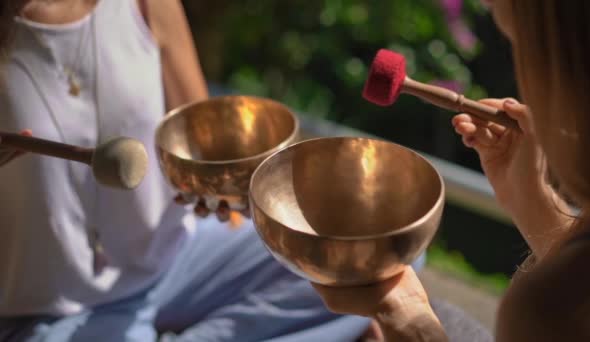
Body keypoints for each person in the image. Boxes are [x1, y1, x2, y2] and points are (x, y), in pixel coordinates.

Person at [0, 0, 393, 340]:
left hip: (175, 260)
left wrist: (228, 193)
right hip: (53, 309)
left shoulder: (146, 4)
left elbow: (207, 146)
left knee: (371, 256)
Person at [313, 0, 590, 341]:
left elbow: (570, 304)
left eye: (520, 46)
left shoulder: (560, 313)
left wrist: (411, 325)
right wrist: (533, 206)